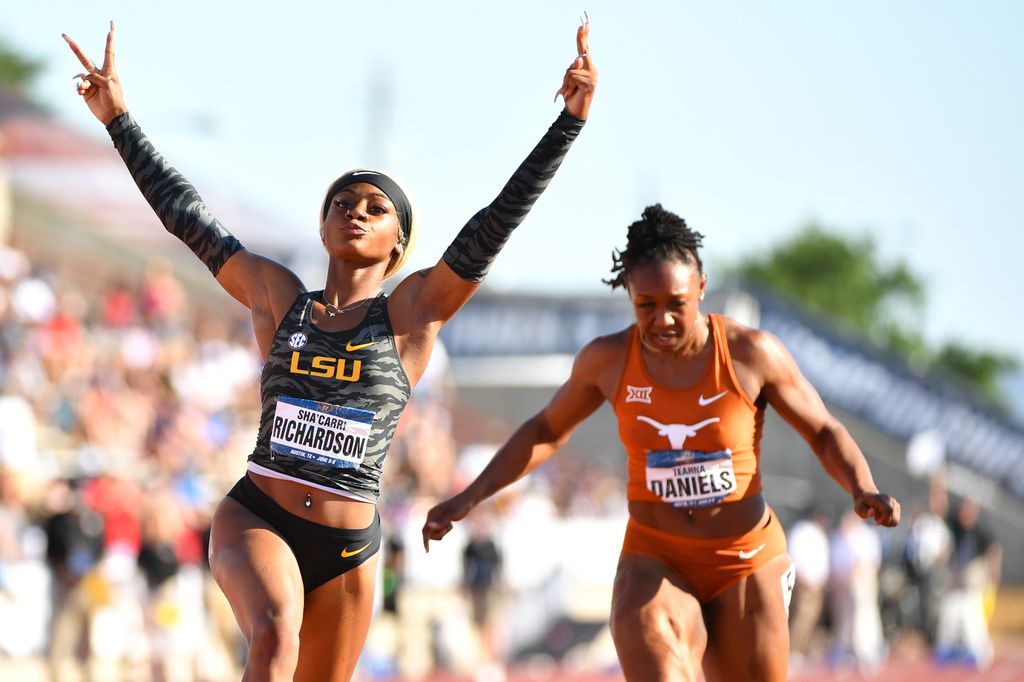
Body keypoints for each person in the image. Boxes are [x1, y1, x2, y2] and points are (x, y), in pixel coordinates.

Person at [64, 19, 597, 682]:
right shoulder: (278, 295)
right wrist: (117, 118)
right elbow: (187, 217)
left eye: (376, 208)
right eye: (342, 202)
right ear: (321, 226)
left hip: (349, 546)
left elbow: (491, 227)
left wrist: (568, 122)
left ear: (398, 245)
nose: (356, 211)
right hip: (259, 514)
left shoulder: (411, 314)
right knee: (274, 633)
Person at [422, 204, 900, 681]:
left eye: (677, 304)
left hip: (746, 557)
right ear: (628, 293)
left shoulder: (751, 354)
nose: (663, 320)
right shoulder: (607, 361)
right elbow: (547, 430)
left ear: (702, 289)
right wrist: (470, 496)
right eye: (645, 306)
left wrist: (861, 486)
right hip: (657, 556)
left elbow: (822, 429)